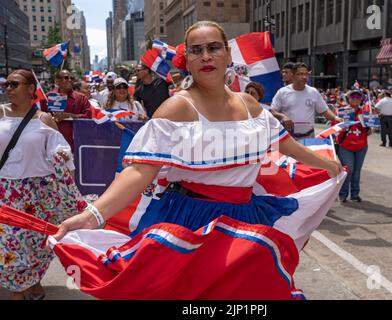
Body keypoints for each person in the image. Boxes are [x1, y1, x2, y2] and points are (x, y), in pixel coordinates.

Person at [53, 21, 343, 296]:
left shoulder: (250, 105)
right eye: (196, 50)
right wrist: (93, 215)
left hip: (246, 217)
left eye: (214, 47)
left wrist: (328, 165)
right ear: (187, 60)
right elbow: (139, 171)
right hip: (190, 219)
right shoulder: (177, 108)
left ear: (228, 55)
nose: (206, 56)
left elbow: (287, 145)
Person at [0, 69, 85, 300]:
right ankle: (19, 291)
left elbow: (63, 154)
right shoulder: (0, 114)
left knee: (36, 243)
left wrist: (61, 162)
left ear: (30, 89)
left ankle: (33, 281)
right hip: (5, 192)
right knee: (10, 245)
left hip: (38, 193)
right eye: (6, 84)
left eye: (14, 84)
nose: (8, 88)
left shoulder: (44, 119)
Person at [270, 62, 342, 140]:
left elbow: (324, 111)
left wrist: (335, 118)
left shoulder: (313, 92)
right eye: (300, 74)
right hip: (289, 138)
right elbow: (272, 111)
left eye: (306, 74)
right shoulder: (282, 92)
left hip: (309, 137)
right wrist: (282, 116)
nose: (304, 77)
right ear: (293, 76)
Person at [335, 90, 372, 203]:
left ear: (361, 99)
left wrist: (367, 126)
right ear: (348, 98)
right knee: (349, 170)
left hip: (361, 146)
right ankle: (343, 194)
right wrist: (343, 126)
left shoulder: (365, 112)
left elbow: (370, 132)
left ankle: (355, 194)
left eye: (358, 97)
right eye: (353, 96)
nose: (355, 98)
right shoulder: (342, 111)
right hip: (345, 146)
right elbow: (335, 127)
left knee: (357, 171)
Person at [41, 70, 92, 150]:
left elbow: (89, 117)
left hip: (74, 144)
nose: (70, 80)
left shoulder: (81, 98)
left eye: (71, 78)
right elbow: (39, 117)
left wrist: (69, 115)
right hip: (52, 144)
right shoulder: (47, 97)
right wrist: (49, 118)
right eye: (66, 78)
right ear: (57, 81)